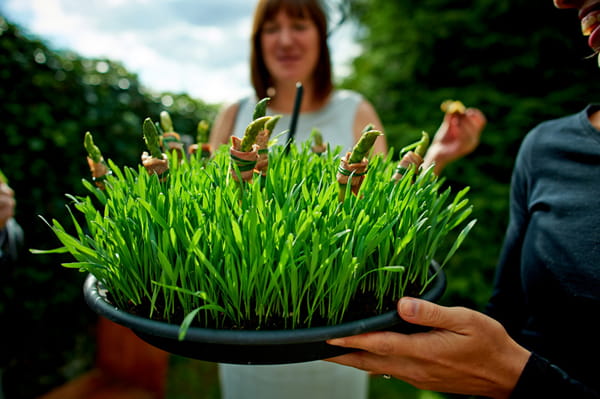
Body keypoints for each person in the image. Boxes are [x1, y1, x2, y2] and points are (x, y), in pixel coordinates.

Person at [210, 1, 486, 399]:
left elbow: (388, 208)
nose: (285, 40)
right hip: (246, 342)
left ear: (321, 37)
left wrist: (437, 156)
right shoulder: (234, 114)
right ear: (257, 43)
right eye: (272, 29)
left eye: (299, 25)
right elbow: (207, 211)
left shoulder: (355, 110)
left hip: (338, 340)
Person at [326, 1, 600, 398]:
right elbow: (507, 318)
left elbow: (510, 368)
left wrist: (516, 380)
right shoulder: (545, 147)